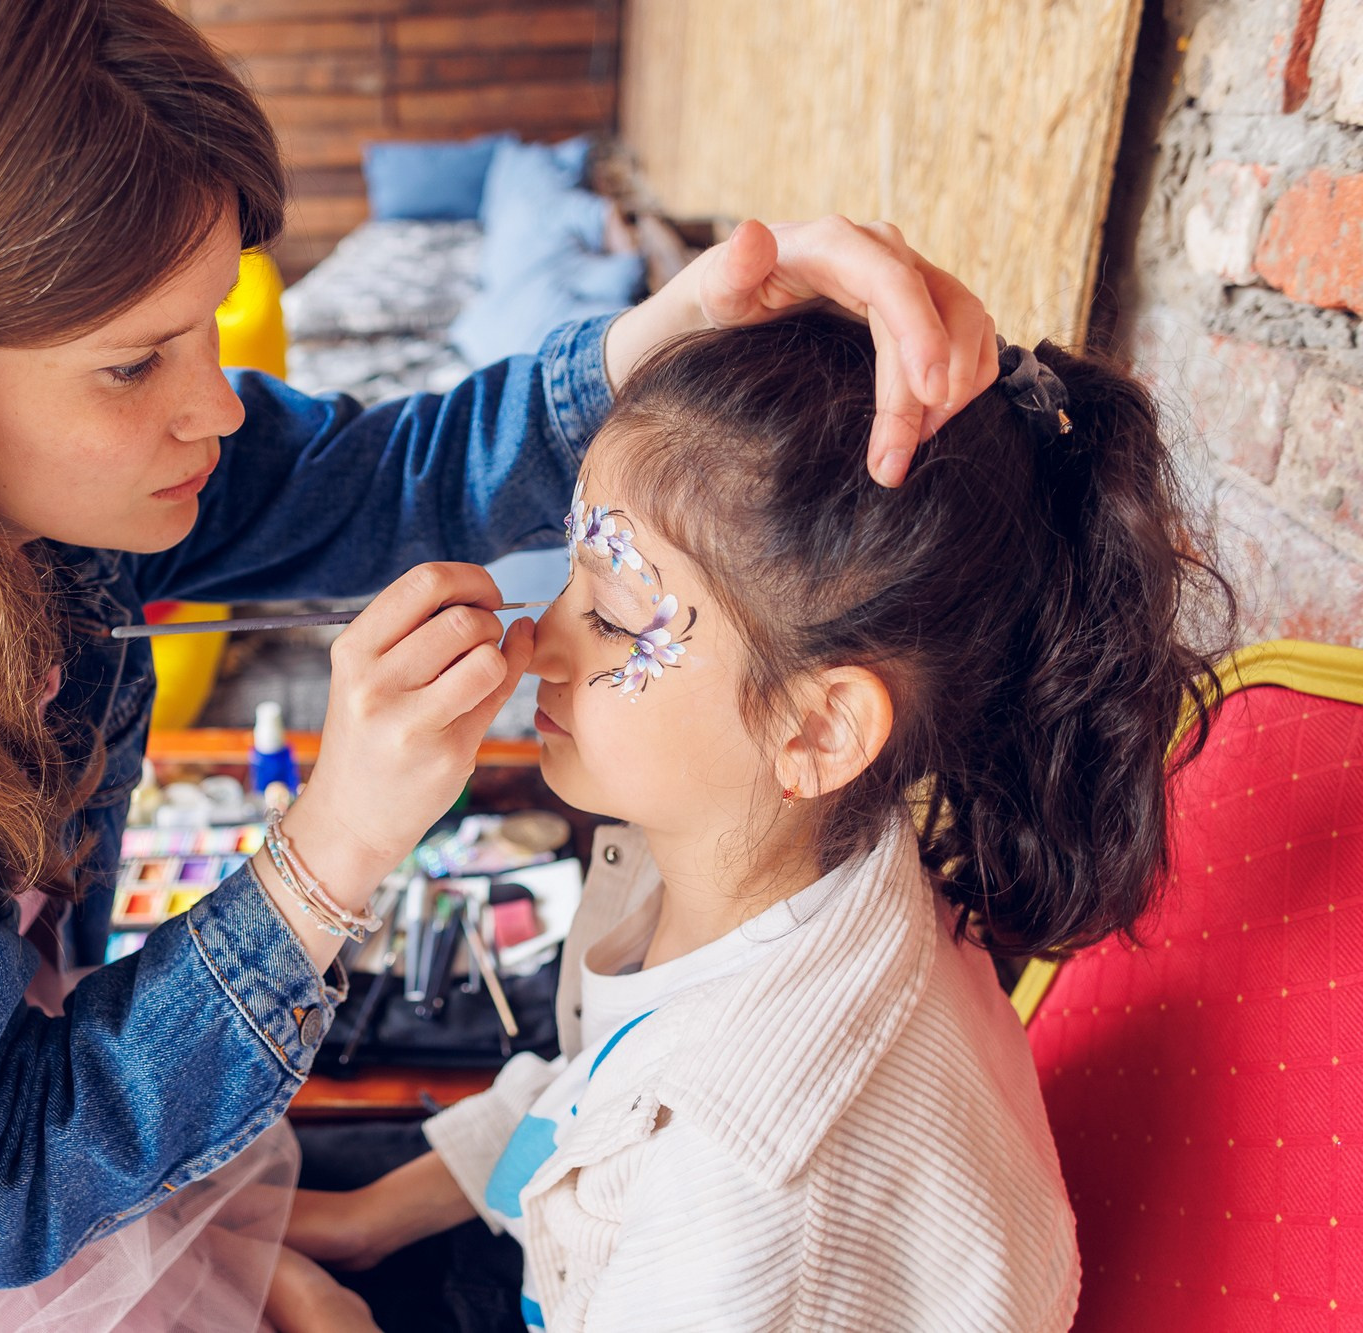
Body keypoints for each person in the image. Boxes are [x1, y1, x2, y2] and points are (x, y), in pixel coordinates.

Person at [0, 0, 998, 1329]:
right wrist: (328, 845)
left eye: (213, 319)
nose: (215, 403)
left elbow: (377, 475)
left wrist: (681, 319)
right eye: (136, 361)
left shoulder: (51, 489)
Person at [278, 310, 1233, 1332]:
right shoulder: (767, 857)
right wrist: (367, 1218)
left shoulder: (741, 1194)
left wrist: (318, 1310)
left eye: (611, 616)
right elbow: (595, 1094)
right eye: (566, 572)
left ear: (817, 729)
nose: (537, 641)